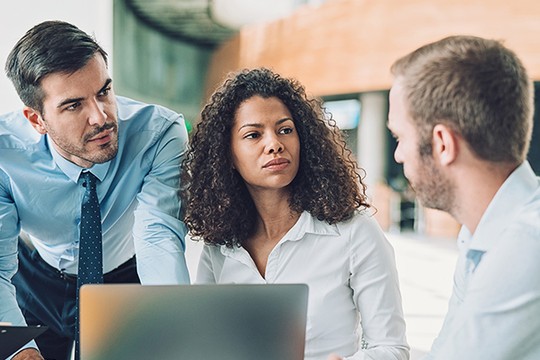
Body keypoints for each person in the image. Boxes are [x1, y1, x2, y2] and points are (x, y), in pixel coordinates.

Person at [181, 68, 409, 360]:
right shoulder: (220, 246)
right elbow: (206, 342)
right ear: (228, 156)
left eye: (285, 129)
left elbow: (392, 349)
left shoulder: (354, 231)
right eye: (253, 135)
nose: (274, 144)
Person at [0, 21, 190, 360]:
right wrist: (19, 351)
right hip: (35, 281)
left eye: (103, 92)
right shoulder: (5, 153)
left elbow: (158, 237)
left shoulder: (159, 133)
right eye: (74, 105)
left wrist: (177, 324)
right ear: (36, 120)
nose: (101, 117)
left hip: (124, 278)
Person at [386, 35, 540, 359]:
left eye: (400, 137)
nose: (399, 155)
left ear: (442, 143)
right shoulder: (479, 235)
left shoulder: (526, 245)